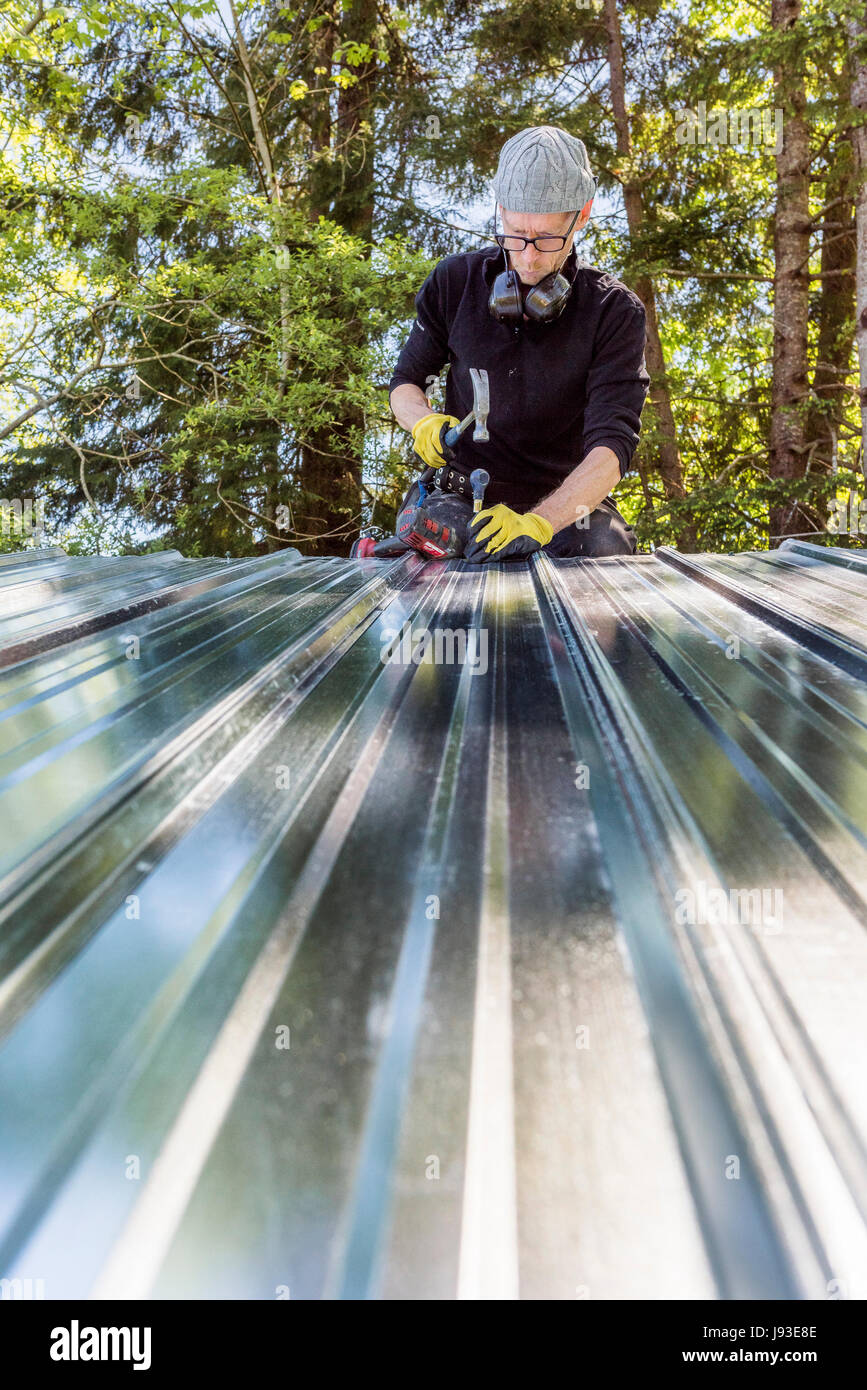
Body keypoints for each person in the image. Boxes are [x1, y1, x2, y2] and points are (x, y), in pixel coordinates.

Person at [387, 125, 650, 561]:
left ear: (581, 216)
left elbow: (612, 447)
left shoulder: (615, 312)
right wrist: (420, 421)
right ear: (501, 211)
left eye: (547, 239)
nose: (529, 257)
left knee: (602, 550)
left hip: (566, 508)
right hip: (460, 494)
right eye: (516, 235)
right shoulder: (454, 283)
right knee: (433, 554)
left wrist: (540, 523)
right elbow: (405, 383)